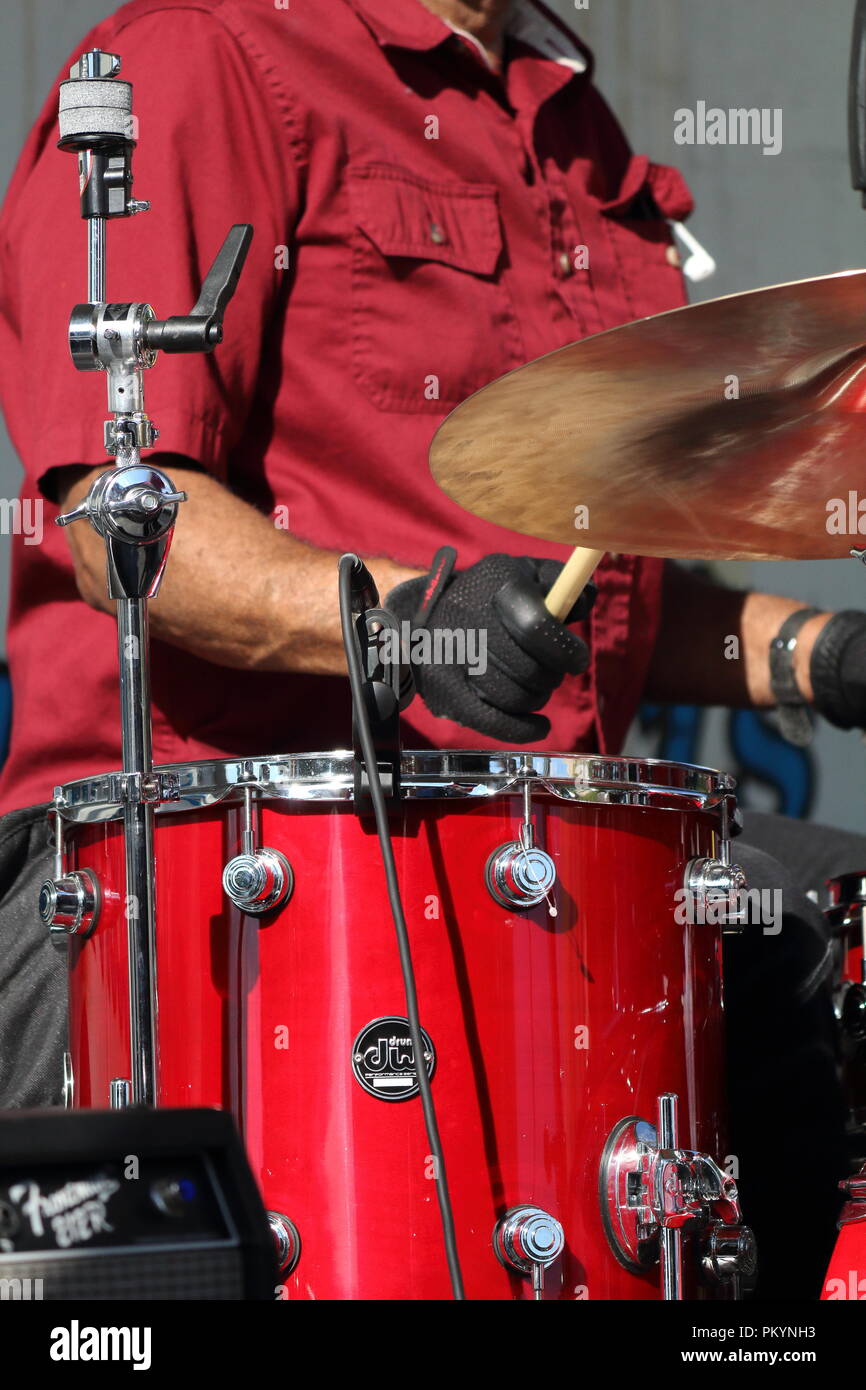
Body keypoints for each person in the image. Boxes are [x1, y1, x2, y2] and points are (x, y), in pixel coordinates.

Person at [0, 0, 863, 1296]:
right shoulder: (200, 55)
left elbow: (591, 588)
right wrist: (402, 626)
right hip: (199, 859)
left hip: (557, 853)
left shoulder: (570, 123)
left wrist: (825, 653)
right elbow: (126, 519)